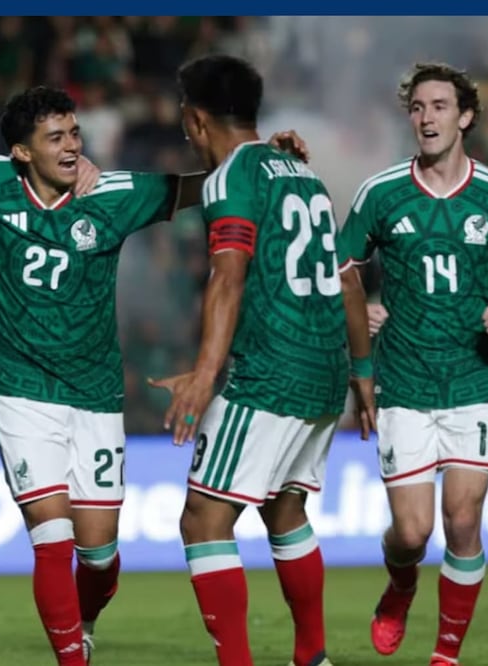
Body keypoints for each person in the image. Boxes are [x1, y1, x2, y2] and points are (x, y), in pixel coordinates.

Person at [0, 84, 308, 665]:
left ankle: (84, 617)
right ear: (21, 154)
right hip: (21, 392)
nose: (72, 146)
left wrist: (260, 159)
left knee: (99, 556)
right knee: (51, 539)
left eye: (75, 133)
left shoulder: (111, 192)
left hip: (97, 398)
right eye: (55, 137)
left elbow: (198, 190)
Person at [337, 62, 488, 666]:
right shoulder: (381, 192)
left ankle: (446, 655)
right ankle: (401, 583)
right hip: (404, 384)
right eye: (417, 107)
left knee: (463, 522)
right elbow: (341, 272)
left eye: (439, 106)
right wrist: (362, 313)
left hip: (474, 381)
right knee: (411, 534)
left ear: (464, 117)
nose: (426, 117)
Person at [150, 54, 345, 666]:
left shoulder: (228, 176)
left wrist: (206, 376)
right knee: (285, 508)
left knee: (204, 519)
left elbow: (228, 276)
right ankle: (312, 656)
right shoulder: (302, 170)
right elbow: (343, 276)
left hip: (270, 372)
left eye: (186, 122)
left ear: (196, 118)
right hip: (324, 369)